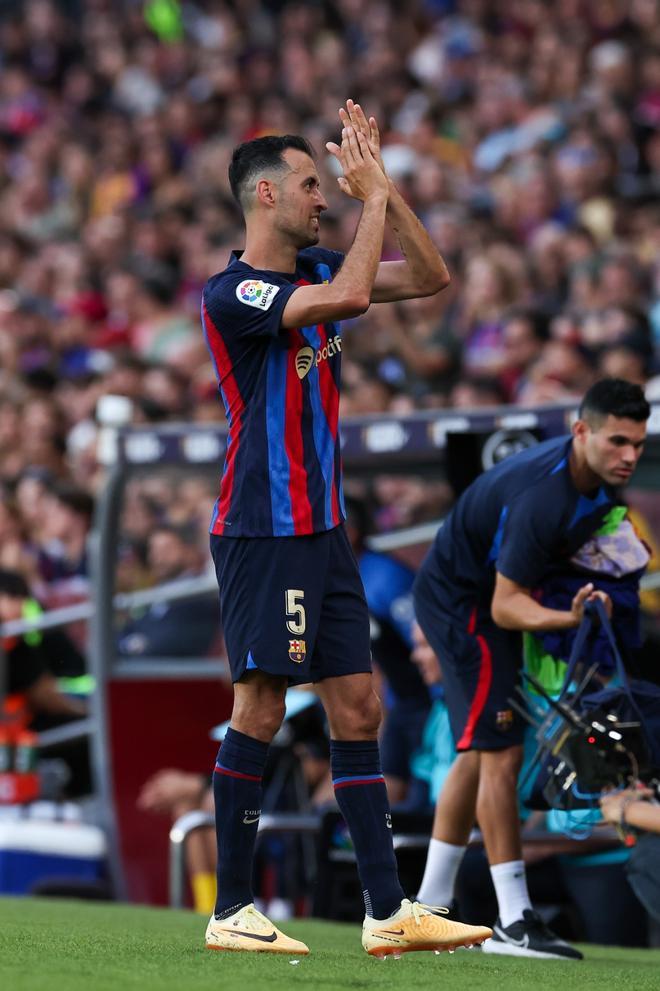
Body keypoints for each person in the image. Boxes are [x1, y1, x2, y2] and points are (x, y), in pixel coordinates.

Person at [199, 99, 492, 957]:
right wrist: (369, 204)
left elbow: (430, 278)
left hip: (321, 529)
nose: (321, 197)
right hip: (265, 525)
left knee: (358, 703)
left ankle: (386, 909)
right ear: (262, 196)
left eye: (327, 186)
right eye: (308, 184)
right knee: (259, 703)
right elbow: (360, 292)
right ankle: (233, 908)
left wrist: (386, 191)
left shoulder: (319, 264)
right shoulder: (237, 290)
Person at [413, 377, 650, 959]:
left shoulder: (602, 486)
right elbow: (505, 605)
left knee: (478, 751)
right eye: (618, 441)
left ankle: (425, 909)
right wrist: (567, 620)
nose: (630, 456)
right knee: (501, 751)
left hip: (484, 601)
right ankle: (516, 920)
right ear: (581, 432)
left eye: (639, 445)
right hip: (466, 605)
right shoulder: (543, 497)